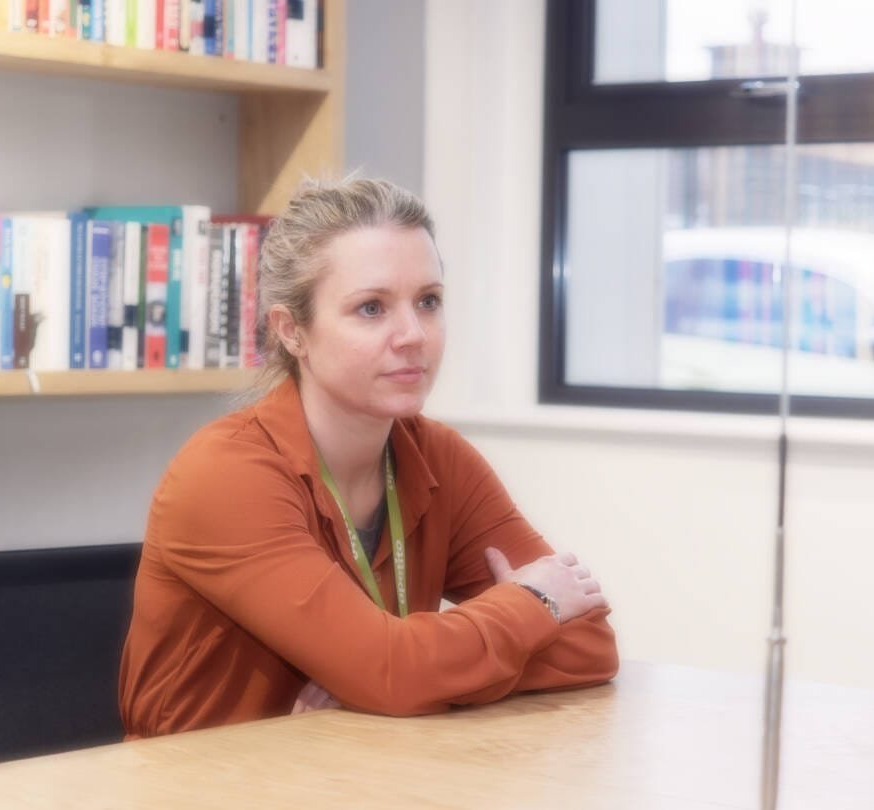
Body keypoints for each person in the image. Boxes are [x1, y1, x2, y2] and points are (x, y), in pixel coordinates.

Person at [119, 177, 618, 737]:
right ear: (292, 331)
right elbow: (394, 674)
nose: (412, 334)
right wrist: (534, 603)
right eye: (371, 308)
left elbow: (590, 647)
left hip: (359, 777)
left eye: (428, 301)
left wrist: (407, 678)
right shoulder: (223, 475)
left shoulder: (439, 457)